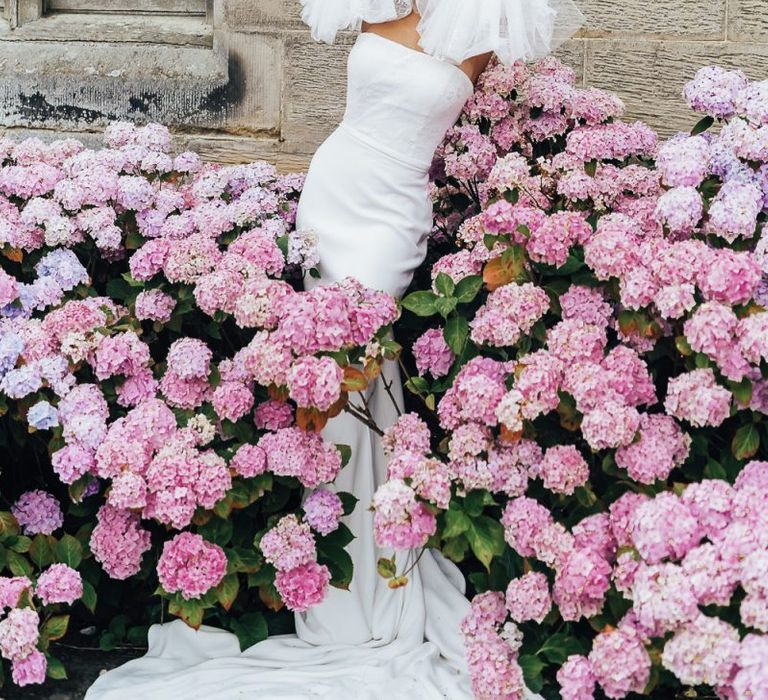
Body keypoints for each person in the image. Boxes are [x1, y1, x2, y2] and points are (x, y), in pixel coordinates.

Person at [84, 2, 584, 698]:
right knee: (327, 387)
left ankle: (377, 575)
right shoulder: (384, 3)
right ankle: (334, 567)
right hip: (334, 189)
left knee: (360, 372)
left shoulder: (487, 18)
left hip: (390, 213)